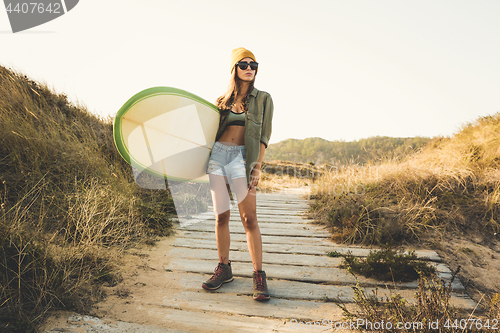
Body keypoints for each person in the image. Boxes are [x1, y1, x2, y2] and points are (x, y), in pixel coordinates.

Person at [203, 47, 274, 301]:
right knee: (221, 216)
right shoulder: (221, 101)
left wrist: (257, 166)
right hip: (218, 157)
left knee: (249, 219)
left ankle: (258, 275)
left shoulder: (264, 99)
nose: (249, 69)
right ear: (234, 68)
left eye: (253, 65)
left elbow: (264, 136)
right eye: (243, 64)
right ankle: (224, 268)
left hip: (243, 160)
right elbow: (205, 133)